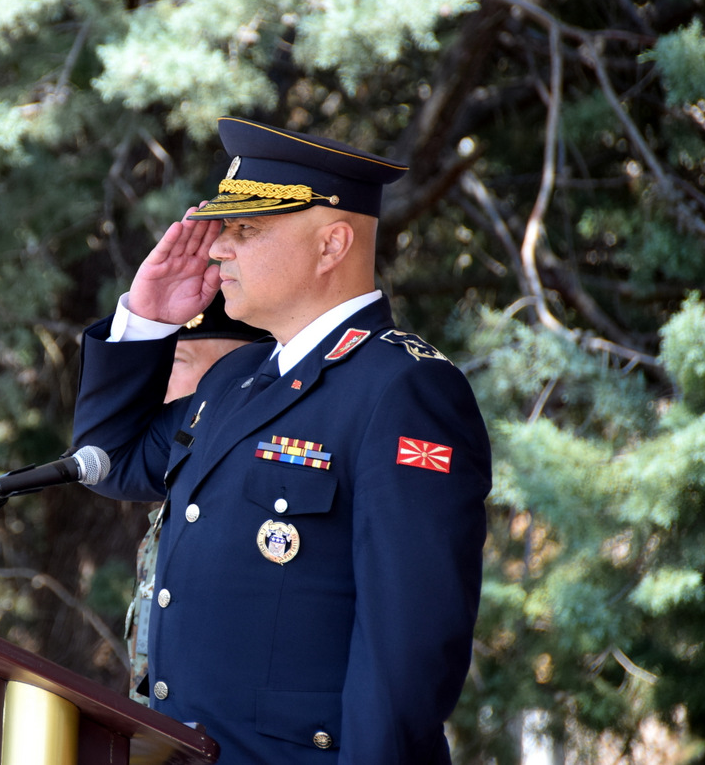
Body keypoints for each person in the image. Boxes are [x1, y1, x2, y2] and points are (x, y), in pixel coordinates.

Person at [73, 116, 492, 763]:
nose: (219, 249)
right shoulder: (236, 377)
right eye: (224, 230)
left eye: (246, 230)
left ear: (331, 246)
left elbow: (407, 648)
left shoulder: (404, 389)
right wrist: (148, 320)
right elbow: (110, 461)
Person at [125, 294, 266, 705]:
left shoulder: (245, 500)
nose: (160, 384)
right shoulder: (179, 494)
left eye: (176, 363)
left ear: (237, 372)